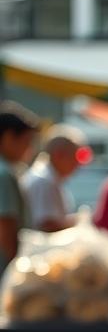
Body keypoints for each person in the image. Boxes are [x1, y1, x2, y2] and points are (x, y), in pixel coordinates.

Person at [23, 124, 87, 233]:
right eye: (76, 157)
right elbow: (47, 225)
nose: (78, 164)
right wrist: (81, 221)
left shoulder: (48, 178)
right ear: (59, 155)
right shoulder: (43, 181)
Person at [0, 102, 39, 265]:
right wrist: (17, 267)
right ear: (9, 137)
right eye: (27, 141)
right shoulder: (4, 174)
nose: (30, 149)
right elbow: (5, 226)